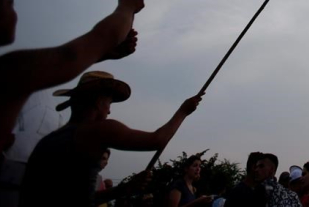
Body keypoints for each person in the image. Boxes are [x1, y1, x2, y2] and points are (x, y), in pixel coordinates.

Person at [19, 70, 202, 207]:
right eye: (109, 102)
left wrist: (125, 188)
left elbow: (81, 198)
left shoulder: (49, 141)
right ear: (98, 101)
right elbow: (158, 140)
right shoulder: (99, 130)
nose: (110, 109)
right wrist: (183, 111)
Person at [0, 0, 145, 153]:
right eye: (4, 0)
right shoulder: (11, 68)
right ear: (97, 102)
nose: (11, 1)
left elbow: (70, 59)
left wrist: (103, 52)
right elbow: (74, 54)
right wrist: (126, 6)